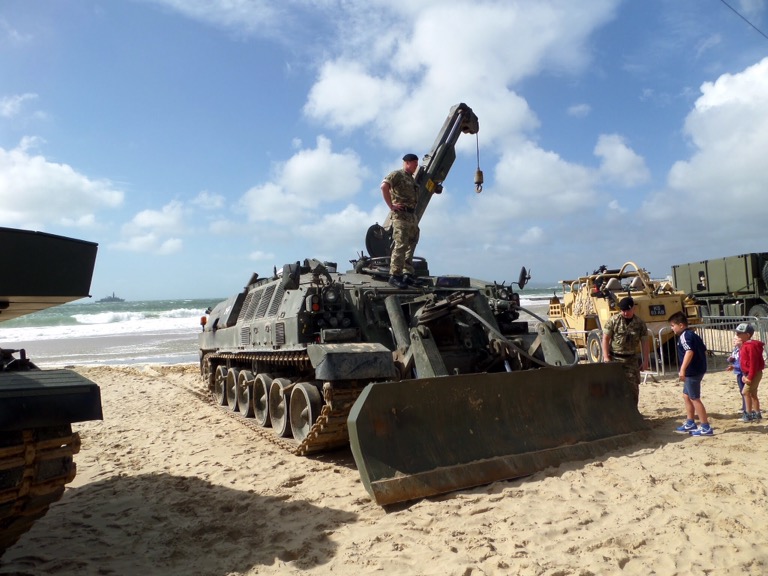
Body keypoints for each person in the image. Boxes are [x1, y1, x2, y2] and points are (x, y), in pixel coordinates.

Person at [668, 311, 713, 436]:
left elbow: (689, 352)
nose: (672, 328)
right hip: (697, 369)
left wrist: (682, 369)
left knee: (694, 398)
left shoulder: (685, 336)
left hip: (692, 372)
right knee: (686, 395)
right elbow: (703, 349)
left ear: (681, 325)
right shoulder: (693, 334)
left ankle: (705, 426)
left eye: (673, 325)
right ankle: (690, 422)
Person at [601, 296, 651, 404]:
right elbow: (605, 339)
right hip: (615, 359)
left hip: (631, 360)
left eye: (627, 310)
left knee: (633, 388)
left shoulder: (640, 324)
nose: (625, 313)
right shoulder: (613, 321)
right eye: (623, 310)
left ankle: (633, 414)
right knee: (614, 388)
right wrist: (606, 357)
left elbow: (644, 343)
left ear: (634, 309)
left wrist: (645, 360)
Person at [381, 153, 420, 289]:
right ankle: (395, 275)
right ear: (407, 162)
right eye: (415, 163)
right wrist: (391, 206)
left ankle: (407, 274)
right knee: (401, 244)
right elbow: (384, 187)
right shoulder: (397, 174)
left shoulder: (412, 179)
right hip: (400, 216)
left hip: (411, 216)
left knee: (411, 244)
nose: (416, 166)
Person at [735, 322, 764, 422]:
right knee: (752, 393)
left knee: (745, 392)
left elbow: (753, 363)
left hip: (753, 373)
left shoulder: (750, 346)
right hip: (750, 373)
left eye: (739, 333)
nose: (737, 335)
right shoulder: (745, 345)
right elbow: (743, 360)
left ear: (747, 335)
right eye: (737, 333)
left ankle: (748, 414)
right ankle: (757, 413)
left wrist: (749, 377)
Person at [726, 335, 747, 415]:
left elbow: (742, 363)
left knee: (745, 391)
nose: (733, 340)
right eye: (733, 339)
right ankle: (744, 406)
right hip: (738, 372)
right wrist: (730, 359)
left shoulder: (742, 350)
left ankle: (747, 408)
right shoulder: (735, 350)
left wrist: (734, 366)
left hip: (743, 373)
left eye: (736, 339)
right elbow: (734, 359)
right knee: (741, 390)